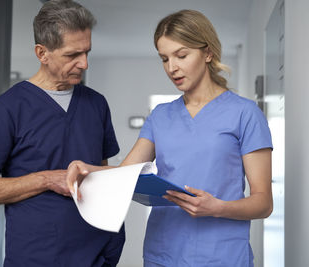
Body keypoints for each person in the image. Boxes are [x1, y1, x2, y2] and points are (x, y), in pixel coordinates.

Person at [67, 9, 273, 267]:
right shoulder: (160, 116)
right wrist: (90, 169)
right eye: (164, 59)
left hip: (223, 256)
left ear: (208, 53)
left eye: (181, 55)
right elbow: (124, 175)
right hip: (162, 254)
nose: (172, 67)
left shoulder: (245, 114)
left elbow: (263, 202)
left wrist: (217, 207)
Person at [0, 0, 125, 266]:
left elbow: (101, 174)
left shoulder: (97, 104)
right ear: (42, 53)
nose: (84, 64)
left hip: (97, 256)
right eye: (73, 55)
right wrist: (46, 180)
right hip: (35, 257)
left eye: (87, 52)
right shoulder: (8, 108)